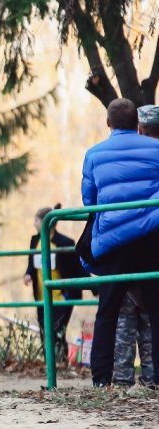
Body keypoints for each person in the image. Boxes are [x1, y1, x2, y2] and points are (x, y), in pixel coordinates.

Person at [80, 98, 159, 388]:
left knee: (107, 311)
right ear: (137, 125)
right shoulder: (157, 149)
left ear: (108, 123)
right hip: (152, 240)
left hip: (112, 243)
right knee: (156, 310)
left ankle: (102, 378)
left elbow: (89, 199)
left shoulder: (94, 154)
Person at [111, 104, 159, 388]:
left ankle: (122, 379)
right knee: (153, 314)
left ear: (139, 128)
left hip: (123, 242)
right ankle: (153, 377)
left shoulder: (125, 155)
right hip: (153, 246)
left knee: (124, 312)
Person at [24, 204, 88, 362]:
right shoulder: (35, 241)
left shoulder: (65, 242)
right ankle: (49, 366)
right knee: (44, 332)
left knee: (57, 332)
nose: (34, 224)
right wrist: (28, 274)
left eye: (37, 220)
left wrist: (95, 286)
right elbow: (32, 263)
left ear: (46, 222)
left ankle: (61, 365)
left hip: (62, 297)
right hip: (42, 297)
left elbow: (77, 267)